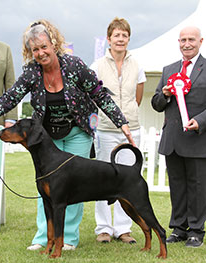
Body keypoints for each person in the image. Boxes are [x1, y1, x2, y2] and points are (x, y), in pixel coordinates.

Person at [0, 19, 135, 251]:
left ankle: (67, 238)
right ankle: (43, 238)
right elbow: (11, 97)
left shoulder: (74, 65)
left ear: (53, 44)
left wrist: (121, 122)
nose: (40, 53)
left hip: (78, 131)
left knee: (75, 187)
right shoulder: (31, 72)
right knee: (46, 188)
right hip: (48, 135)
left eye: (44, 47)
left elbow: (98, 93)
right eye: (35, 49)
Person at [90, 17, 146, 244]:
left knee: (128, 179)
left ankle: (123, 228)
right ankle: (103, 228)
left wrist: (128, 115)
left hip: (131, 130)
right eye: (116, 35)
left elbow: (138, 96)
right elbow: (92, 96)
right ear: (109, 39)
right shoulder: (97, 66)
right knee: (103, 178)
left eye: (124, 35)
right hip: (104, 130)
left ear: (128, 38)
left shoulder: (137, 65)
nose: (120, 39)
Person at [151, 26, 206, 248]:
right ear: (178, 42)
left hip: (198, 139)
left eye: (191, 39)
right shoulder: (168, 70)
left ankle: (195, 231)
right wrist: (163, 94)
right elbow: (156, 104)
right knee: (177, 186)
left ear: (200, 41)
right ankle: (179, 228)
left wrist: (200, 121)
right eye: (183, 40)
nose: (187, 44)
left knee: (198, 186)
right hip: (173, 140)